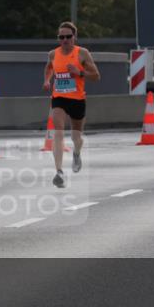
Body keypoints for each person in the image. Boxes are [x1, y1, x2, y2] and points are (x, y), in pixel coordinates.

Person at [43, 21, 100, 188]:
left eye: (68, 37)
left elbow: (96, 76)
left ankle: (76, 152)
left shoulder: (82, 54)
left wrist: (79, 72)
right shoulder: (53, 54)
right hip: (59, 97)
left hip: (77, 99)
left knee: (76, 136)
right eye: (61, 37)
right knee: (58, 132)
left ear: (74, 37)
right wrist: (47, 80)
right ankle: (59, 172)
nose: (65, 40)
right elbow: (48, 68)